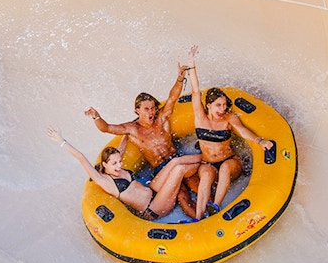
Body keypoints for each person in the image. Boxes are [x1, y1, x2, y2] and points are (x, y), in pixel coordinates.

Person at [84, 62, 201, 217]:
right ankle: (199, 221)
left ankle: (214, 209)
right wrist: (96, 116)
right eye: (146, 109)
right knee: (183, 196)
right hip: (161, 170)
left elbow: (173, 97)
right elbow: (106, 128)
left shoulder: (162, 119)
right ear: (137, 110)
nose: (151, 112)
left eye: (152, 108)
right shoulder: (132, 129)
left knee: (197, 184)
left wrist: (180, 76)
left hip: (177, 158)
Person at [187, 45, 274, 220]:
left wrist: (260, 141)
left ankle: (216, 206)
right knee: (205, 175)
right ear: (209, 105)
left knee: (225, 168)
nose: (222, 109)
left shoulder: (229, 118)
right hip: (208, 163)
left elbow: (242, 131)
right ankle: (198, 216)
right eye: (218, 105)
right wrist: (192, 65)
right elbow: (196, 91)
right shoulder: (200, 116)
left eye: (224, 105)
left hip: (229, 162)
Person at [47, 126, 199, 221]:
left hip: (153, 190)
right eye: (114, 163)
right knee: (179, 169)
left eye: (119, 161)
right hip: (153, 208)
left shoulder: (116, 166)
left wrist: (128, 129)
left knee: (174, 162)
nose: (119, 166)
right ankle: (204, 166)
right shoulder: (105, 180)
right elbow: (81, 157)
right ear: (104, 164)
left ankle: (204, 159)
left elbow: (123, 145)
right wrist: (61, 141)